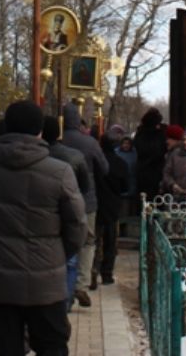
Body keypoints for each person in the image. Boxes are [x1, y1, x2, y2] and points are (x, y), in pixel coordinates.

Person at [0, 102, 85, 356]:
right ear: (39, 131)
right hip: (46, 282)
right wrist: (58, 254)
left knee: (5, 348)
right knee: (52, 346)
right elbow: (77, 225)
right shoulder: (59, 171)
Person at [59, 104, 108, 302]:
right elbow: (104, 168)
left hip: (60, 199)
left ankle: (63, 284)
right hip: (87, 199)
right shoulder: (90, 143)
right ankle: (81, 283)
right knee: (87, 241)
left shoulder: (57, 141)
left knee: (63, 239)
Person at [42, 117, 91, 308]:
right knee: (70, 259)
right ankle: (66, 301)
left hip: (45, 213)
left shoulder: (39, 156)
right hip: (70, 209)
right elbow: (85, 186)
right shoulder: (75, 156)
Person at [95, 128, 128, 285]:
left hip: (96, 202)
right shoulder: (120, 163)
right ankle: (107, 273)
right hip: (113, 205)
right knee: (110, 240)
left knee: (94, 239)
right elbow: (125, 186)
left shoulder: (96, 161)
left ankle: (93, 271)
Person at [132, 109, 167, 200]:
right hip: (156, 171)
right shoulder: (160, 135)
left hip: (142, 172)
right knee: (156, 199)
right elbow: (161, 150)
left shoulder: (140, 134)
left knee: (144, 199)